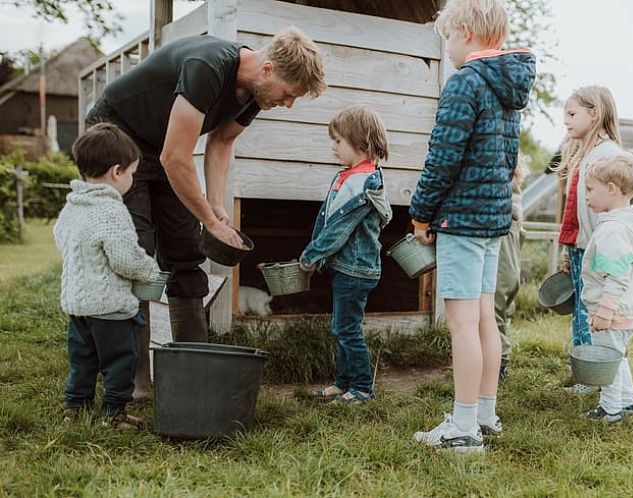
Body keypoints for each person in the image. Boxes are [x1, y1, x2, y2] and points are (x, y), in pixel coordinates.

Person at [85, 27, 326, 399]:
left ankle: (190, 366)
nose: (288, 104)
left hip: (163, 146)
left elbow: (221, 141)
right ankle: (135, 381)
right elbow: (175, 157)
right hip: (118, 136)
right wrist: (210, 222)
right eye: (288, 94)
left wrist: (215, 207)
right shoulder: (207, 67)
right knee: (135, 253)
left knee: (185, 248)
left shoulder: (256, 95)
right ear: (268, 70)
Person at [409, 0, 536, 453]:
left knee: (461, 324)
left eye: (446, 37)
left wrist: (421, 212)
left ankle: (462, 430)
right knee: (484, 319)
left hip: (461, 220)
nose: (447, 47)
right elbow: (506, 161)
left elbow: (443, 158)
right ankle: (485, 413)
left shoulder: (465, 82)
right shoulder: (507, 87)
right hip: (493, 220)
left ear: (463, 31)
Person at [53, 123, 163, 429]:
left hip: (78, 305)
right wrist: (150, 271)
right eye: (131, 173)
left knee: (83, 360)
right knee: (121, 361)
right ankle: (114, 414)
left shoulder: (73, 205)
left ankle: (76, 408)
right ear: (117, 172)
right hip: (110, 308)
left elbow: (60, 236)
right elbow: (126, 259)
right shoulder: (112, 211)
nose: (131, 180)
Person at [299, 104, 392, 404]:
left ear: (361, 143)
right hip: (345, 266)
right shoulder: (349, 176)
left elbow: (340, 228)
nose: (333, 146)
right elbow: (327, 219)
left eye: (338, 141)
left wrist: (312, 254)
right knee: (342, 327)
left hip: (356, 269)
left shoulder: (364, 182)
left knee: (347, 329)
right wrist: (320, 254)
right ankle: (343, 383)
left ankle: (362, 389)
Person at [554, 85, 623, 394]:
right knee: (581, 312)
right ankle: (587, 375)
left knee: (590, 313)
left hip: (597, 249)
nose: (566, 121)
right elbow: (578, 208)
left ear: (594, 114)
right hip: (581, 246)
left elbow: (606, 210)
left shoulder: (606, 155)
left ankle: (596, 377)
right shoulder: (585, 153)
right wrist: (570, 248)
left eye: (572, 114)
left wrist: (597, 250)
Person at [581, 151, 633, 423]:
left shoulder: (613, 230)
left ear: (611, 189)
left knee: (606, 359)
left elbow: (617, 275)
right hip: (624, 310)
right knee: (617, 356)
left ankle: (610, 409)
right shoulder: (626, 223)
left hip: (612, 311)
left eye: (590, 189)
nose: (586, 195)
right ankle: (628, 400)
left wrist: (604, 312)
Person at [494, 158, 529, 381]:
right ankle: (499, 361)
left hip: (501, 273)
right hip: (511, 273)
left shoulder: (508, 200)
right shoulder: (516, 195)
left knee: (493, 315)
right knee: (501, 317)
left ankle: (500, 364)